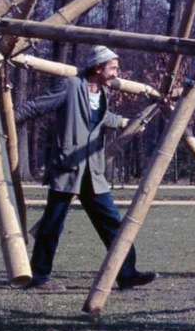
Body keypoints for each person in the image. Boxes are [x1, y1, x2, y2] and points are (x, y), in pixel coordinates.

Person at [13, 45, 157, 292]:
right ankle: (39, 277)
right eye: (113, 68)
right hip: (68, 167)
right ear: (98, 67)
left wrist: (122, 122)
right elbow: (38, 106)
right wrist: (5, 121)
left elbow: (99, 118)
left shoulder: (102, 93)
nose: (117, 72)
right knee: (52, 225)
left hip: (92, 170)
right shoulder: (71, 86)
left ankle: (126, 273)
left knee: (112, 222)